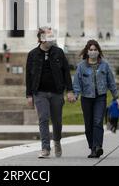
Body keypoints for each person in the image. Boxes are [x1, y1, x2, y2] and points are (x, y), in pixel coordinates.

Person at [26, 26, 75, 159]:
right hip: (39, 92)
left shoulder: (59, 52)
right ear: (41, 39)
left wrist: (70, 91)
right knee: (43, 118)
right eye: (49, 36)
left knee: (57, 121)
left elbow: (66, 73)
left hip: (56, 92)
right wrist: (29, 95)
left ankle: (57, 142)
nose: (52, 39)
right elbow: (28, 76)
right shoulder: (32, 54)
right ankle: (45, 148)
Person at [73, 39, 119, 158]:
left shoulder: (104, 65)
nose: (93, 52)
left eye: (95, 50)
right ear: (87, 51)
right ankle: (92, 148)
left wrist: (116, 97)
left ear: (98, 52)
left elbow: (111, 82)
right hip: (86, 98)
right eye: (91, 50)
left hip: (100, 97)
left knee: (98, 122)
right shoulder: (81, 66)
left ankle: (98, 146)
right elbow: (77, 83)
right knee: (88, 125)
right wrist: (75, 95)